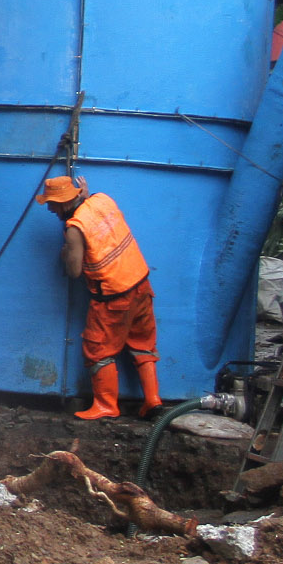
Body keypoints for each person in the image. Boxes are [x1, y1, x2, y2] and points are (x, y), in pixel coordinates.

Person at [40, 175, 161, 421]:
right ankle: (152, 401)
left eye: (51, 204)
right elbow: (98, 219)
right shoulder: (102, 199)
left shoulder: (74, 228)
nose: (50, 209)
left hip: (114, 296)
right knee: (143, 343)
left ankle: (107, 406)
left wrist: (66, 254)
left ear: (63, 202)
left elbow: (74, 272)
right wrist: (84, 196)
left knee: (98, 350)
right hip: (141, 284)